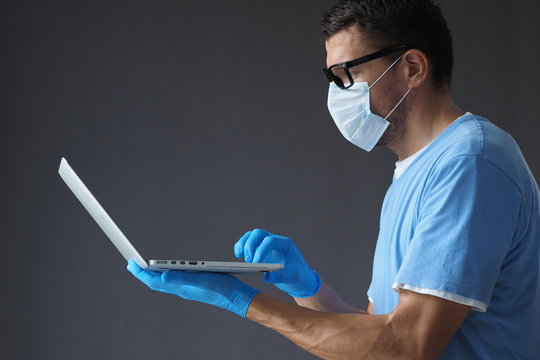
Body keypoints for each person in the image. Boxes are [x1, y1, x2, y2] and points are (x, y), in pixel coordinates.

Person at [127, 0, 540, 358]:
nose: (338, 93)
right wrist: (308, 288)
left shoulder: (471, 161)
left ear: (412, 67)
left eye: (346, 74)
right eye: (332, 78)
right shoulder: (415, 172)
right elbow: (374, 338)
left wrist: (240, 299)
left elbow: (406, 346)